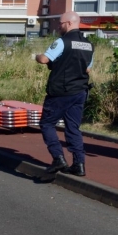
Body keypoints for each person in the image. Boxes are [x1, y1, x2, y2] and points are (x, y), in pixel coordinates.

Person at [35, 11, 94, 176]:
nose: (59, 26)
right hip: (80, 91)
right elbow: (88, 68)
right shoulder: (89, 44)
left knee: (47, 124)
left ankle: (58, 158)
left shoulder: (62, 41)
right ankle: (79, 164)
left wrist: (36, 56)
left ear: (68, 23)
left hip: (60, 92)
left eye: (60, 23)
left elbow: (44, 60)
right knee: (73, 127)